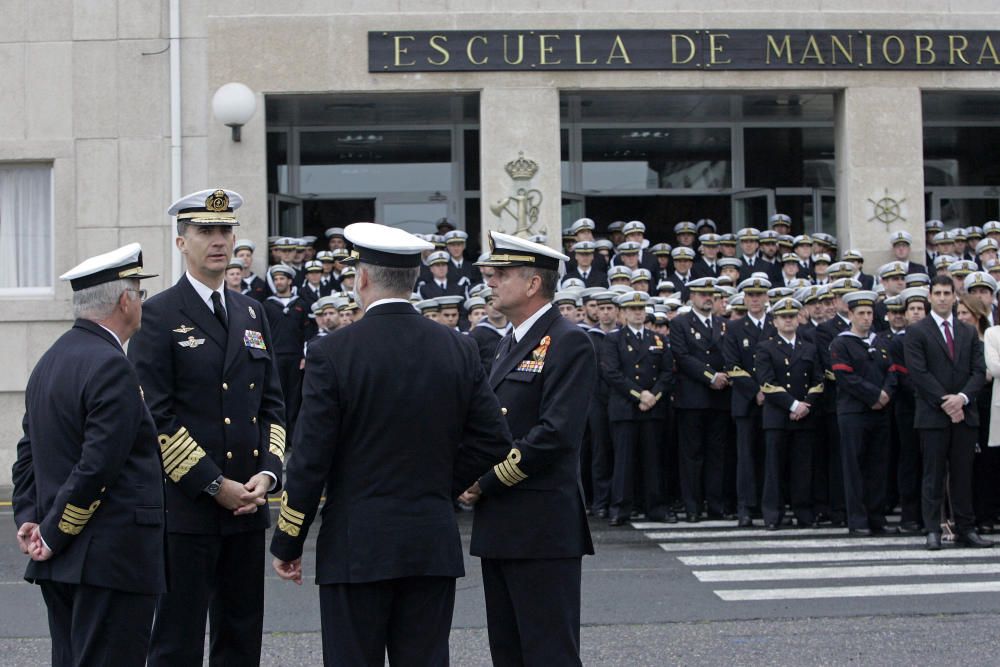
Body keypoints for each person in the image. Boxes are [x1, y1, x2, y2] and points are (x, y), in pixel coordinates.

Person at [270, 223, 509, 665]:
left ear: (362, 279)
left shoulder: (333, 352)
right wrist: (440, 483)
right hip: (428, 538)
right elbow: (493, 439)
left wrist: (288, 540)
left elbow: (309, 459)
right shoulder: (456, 348)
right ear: (414, 281)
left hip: (355, 541)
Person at [128, 188, 286, 665]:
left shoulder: (251, 310)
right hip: (187, 508)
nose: (218, 241)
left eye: (225, 230)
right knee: (177, 637)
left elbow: (273, 404)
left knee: (241, 636)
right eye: (205, 231)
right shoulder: (157, 315)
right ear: (181, 243)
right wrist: (215, 485)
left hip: (247, 506)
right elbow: (155, 417)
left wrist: (269, 473)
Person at [12, 244, 164, 667]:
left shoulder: (51, 360)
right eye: (140, 294)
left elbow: (28, 454)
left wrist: (31, 518)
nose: (141, 304)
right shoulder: (110, 364)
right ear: (123, 301)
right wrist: (54, 532)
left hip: (64, 560)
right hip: (109, 558)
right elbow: (99, 465)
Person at [462, 231, 596, 666]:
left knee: (548, 650)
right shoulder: (510, 340)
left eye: (501, 274)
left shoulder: (568, 340)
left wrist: (484, 481)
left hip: (541, 524)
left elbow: (555, 434)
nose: (492, 282)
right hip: (502, 522)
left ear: (533, 283)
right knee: (509, 650)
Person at [904, 275, 992, 550]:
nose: (942, 298)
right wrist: (946, 402)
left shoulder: (967, 331)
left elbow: (979, 371)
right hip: (933, 415)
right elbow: (918, 373)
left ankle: (965, 528)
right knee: (933, 474)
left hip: (965, 414)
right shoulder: (917, 331)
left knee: (963, 475)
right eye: (938, 293)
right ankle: (933, 529)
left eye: (947, 293)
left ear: (955, 296)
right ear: (930, 296)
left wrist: (962, 399)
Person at [601, 290, 674, 525]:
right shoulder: (613, 339)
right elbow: (612, 373)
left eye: (641, 310)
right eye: (633, 310)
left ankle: (655, 507)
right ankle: (620, 508)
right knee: (624, 462)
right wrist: (638, 395)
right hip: (626, 407)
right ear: (623, 313)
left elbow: (667, 372)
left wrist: (653, 395)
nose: (638, 313)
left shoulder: (657, 339)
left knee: (653, 461)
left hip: (652, 407)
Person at [829, 290, 897, 536]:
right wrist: (874, 396)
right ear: (851, 314)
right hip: (853, 413)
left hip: (880, 412)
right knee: (854, 467)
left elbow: (892, 371)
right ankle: (857, 520)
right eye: (861, 314)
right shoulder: (841, 342)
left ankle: (876, 517)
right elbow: (846, 377)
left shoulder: (880, 342)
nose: (867, 318)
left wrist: (886, 393)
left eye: (869, 313)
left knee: (878, 465)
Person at [755, 297, 824, 530]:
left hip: (805, 416)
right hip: (778, 416)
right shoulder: (765, 347)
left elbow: (818, 381)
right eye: (783, 317)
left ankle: (803, 512)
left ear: (798, 319)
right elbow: (767, 384)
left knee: (802, 468)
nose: (788, 320)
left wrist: (806, 405)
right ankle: (773, 514)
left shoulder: (809, 347)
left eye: (792, 316)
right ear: (774, 321)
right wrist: (793, 405)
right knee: (774, 469)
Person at [670, 277, 731, 521]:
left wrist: (724, 375)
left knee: (717, 454)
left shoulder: (722, 323)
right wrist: (710, 376)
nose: (707, 298)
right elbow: (682, 357)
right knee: (691, 456)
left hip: (719, 397)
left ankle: (715, 504)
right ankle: (692, 507)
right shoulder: (681, 324)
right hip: (692, 398)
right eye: (701, 294)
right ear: (691, 297)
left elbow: (729, 353)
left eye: (710, 294)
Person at [724, 276, 773, 528]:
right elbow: (731, 365)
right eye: (750, 295)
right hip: (746, 401)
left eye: (759, 295)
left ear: (767, 298)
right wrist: (756, 390)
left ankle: (769, 505)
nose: (755, 299)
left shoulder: (776, 324)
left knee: (770, 456)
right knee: (745, 458)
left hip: (773, 402)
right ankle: (745, 507)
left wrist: (769, 391)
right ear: (744, 299)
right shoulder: (734, 328)